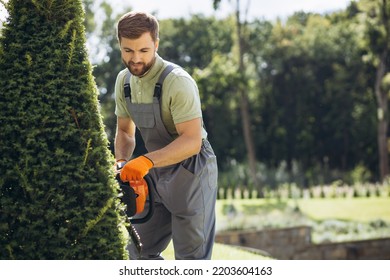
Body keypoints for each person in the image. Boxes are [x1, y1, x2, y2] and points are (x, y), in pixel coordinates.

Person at [113, 11, 218, 260]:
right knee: (136, 252)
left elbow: (192, 141)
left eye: (144, 50)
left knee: (191, 261)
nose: (135, 58)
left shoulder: (177, 82)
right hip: (154, 175)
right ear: (119, 45)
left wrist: (146, 161)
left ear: (156, 45)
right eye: (128, 51)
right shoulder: (123, 82)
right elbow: (125, 132)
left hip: (192, 173)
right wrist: (122, 162)